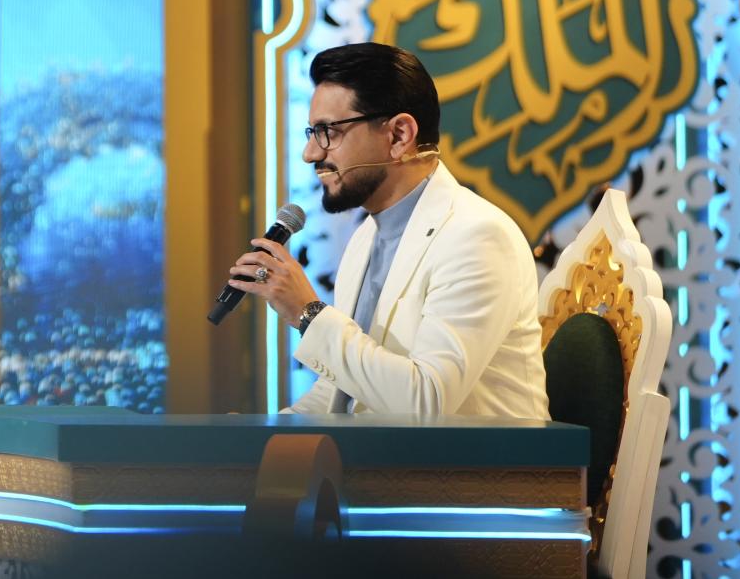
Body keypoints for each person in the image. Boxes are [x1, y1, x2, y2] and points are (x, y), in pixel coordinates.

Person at [226, 42, 549, 418]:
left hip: (479, 457)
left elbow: (426, 402)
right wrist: (268, 434)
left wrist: (308, 312)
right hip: (389, 455)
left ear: (398, 136)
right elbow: (341, 390)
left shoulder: (478, 236)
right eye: (311, 132)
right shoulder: (366, 237)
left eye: (327, 131)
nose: (311, 153)